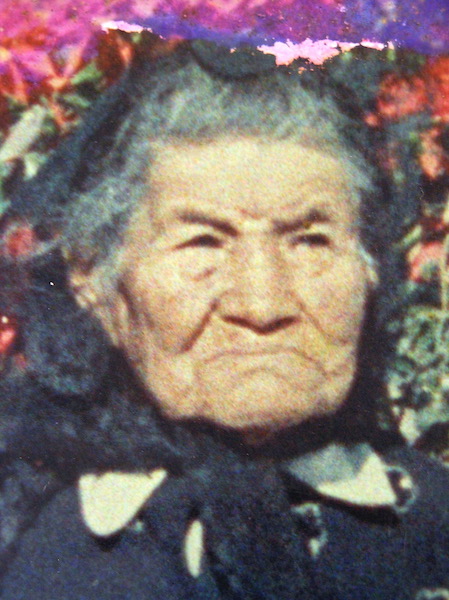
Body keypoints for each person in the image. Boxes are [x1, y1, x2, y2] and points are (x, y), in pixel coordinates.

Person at [0, 37, 448, 600]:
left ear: (370, 268)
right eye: (202, 243)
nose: (262, 307)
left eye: (310, 241)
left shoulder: (435, 522)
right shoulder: (30, 554)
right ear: (92, 278)